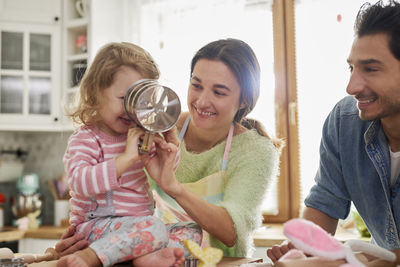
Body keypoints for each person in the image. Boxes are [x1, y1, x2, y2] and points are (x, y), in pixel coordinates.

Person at [53, 38, 282, 259]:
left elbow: (232, 231)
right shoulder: (147, 128)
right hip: (140, 242)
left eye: (219, 92)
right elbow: (84, 184)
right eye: (196, 85)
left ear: (244, 100)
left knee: (188, 231)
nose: (202, 101)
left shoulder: (255, 150)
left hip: (215, 261)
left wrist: (173, 186)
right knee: (152, 229)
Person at [267, 0, 400, 263]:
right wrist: (300, 249)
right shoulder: (345, 121)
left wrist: (350, 260)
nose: (351, 86)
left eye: (370, 69)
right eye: (352, 68)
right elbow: (324, 204)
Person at [58, 42, 202, 267]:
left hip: (137, 227)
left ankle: (146, 256)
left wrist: (168, 157)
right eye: (125, 99)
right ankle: (92, 256)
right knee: (151, 227)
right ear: (96, 92)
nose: (131, 110)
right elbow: (79, 182)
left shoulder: (139, 134)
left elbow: (165, 173)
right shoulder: (86, 138)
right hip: (96, 227)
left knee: (190, 228)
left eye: (140, 101)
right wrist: (124, 160)